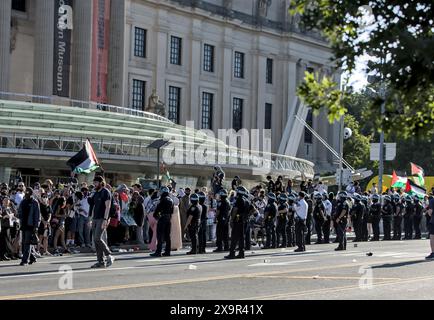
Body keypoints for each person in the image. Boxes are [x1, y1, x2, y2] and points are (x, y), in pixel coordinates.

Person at [88, 176, 114, 268]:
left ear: (100, 183)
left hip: (102, 219)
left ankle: (109, 254)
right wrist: (90, 219)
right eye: (94, 182)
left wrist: (105, 219)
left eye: (96, 183)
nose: (94, 184)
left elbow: (108, 206)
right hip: (95, 218)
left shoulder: (105, 192)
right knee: (96, 241)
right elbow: (92, 206)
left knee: (97, 238)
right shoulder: (95, 193)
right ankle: (100, 261)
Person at [225, 186, 250, 259]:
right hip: (244, 221)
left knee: (234, 237)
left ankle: (232, 253)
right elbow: (253, 210)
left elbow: (235, 210)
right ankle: (241, 253)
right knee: (241, 238)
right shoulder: (247, 200)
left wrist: (232, 219)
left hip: (238, 220)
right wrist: (246, 216)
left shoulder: (238, 200)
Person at [17, 188, 41, 266]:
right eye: (26, 193)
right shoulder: (23, 202)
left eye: (28, 193)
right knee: (24, 243)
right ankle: (32, 257)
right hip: (23, 225)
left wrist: (36, 226)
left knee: (27, 243)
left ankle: (25, 260)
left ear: (31, 194)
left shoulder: (34, 202)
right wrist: (18, 215)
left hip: (30, 225)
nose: (27, 194)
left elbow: (37, 216)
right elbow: (19, 211)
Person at [150, 187, 174, 257]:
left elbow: (158, 209)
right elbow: (172, 211)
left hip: (163, 217)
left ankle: (158, 252)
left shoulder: (162, 199)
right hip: (168, 218)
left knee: (159, 235)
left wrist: (156, 216)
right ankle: (167, 251)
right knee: (167, 236)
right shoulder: (171, 200)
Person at [425, 195, 434, 260]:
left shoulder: (432, 201)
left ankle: (433, 253)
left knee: (432, 237)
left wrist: (427, 210)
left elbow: (430, 213)